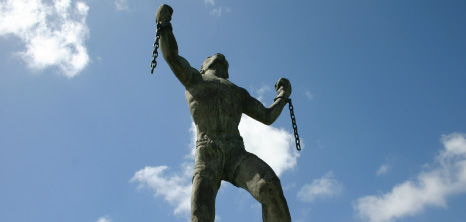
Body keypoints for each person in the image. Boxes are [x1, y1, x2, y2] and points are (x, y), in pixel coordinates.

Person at [156, 4, 292, 222]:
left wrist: (283, 96)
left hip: (235, 153)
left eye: (223, 58)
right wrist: (164, 26)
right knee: (201, 213)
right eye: (211, 56)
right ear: (203, 67)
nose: (219, 55)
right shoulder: (194, 79)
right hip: (207, 154)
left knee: (270, 187)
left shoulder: (237, 92)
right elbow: (172, 56)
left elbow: (266, 116)